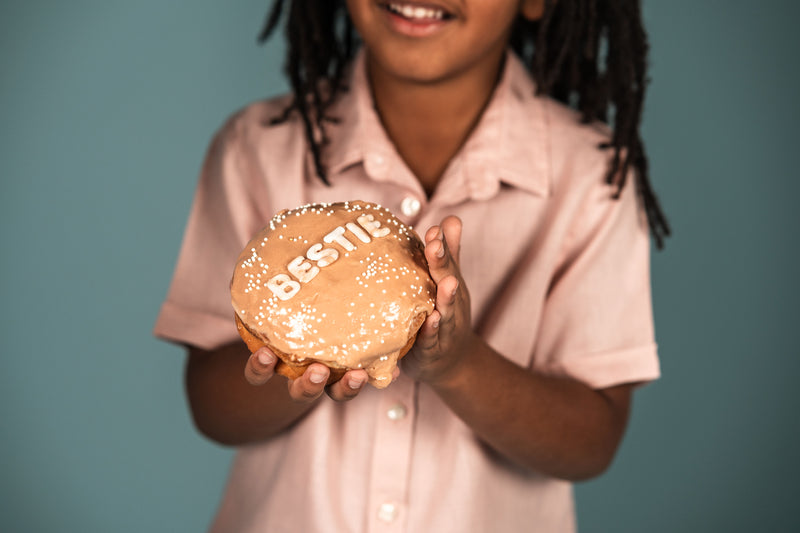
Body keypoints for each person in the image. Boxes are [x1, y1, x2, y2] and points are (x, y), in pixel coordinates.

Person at [154, 0, 670, 531]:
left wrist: (459, 363)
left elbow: (590, 442)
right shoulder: (255, 148)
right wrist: (298, 354)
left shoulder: (594, 178)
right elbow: (210, 407)